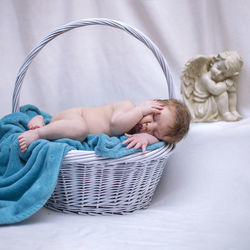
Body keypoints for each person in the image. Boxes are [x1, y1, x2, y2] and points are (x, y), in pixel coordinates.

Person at [17, 99, 191, 153]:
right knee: (80, 129)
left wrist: (147, 137)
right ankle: (40, 132)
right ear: (151, 103)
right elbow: (116, 127)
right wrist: (139, 111)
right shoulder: (129, 107)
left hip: (68, 127)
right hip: (75, 117)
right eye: (153, 116)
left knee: (79, 132)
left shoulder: (145, 131)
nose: (147, 126)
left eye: (155, 132)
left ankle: (44, 123)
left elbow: (156, 141)